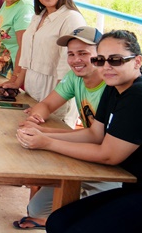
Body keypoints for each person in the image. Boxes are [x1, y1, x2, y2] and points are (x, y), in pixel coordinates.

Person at [18, 30, 142, 233]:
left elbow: (109, 155)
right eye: (101, 60)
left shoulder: (139, 96)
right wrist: (42, 133)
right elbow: (94, 134)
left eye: (116, 60)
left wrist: (47, 143)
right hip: (130, 181)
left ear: (137, 61)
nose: (106, 67)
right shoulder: (114, 86)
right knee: (57, 222)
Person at [13, 26, 118, 230]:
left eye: (83, 53)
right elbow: (47, 104)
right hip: (87, 156)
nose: (76, 60)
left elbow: (98, 138)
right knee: (37, 209)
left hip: (115, 165)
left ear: (100, 54)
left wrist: (46, 136)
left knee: (81, 220)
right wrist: (36, 118)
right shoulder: (74, 77)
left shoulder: (112, 85)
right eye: (71, 54)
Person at [1, 0, 85, 124]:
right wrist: (16, 83)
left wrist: (50, 104)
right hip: (32, 90)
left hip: (56, 92)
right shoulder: (39, 16)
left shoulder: (71, 19)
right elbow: (27, 55)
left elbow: (68, 68)